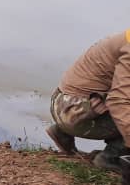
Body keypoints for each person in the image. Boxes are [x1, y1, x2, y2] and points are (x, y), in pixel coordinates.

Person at [47, 30, 130, 171]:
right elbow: (119, 102)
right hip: (74, 110)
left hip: (65, 102)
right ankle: (110, 157)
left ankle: (63, 131)